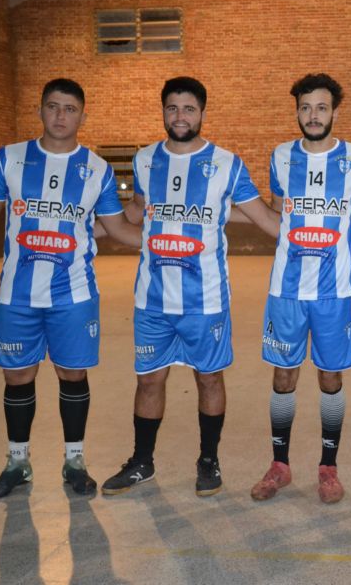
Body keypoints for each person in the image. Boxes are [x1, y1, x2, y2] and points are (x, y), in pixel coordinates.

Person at [0, 78, 142, 499]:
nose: (61, 116)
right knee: (18, 375)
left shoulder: (96, 168)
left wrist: (171, 236)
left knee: (72, 374)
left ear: (82, 114)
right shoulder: (9, 158)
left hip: (73, 294)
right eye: (53, 107)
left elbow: (116, 229)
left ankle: (74, 462)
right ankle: (17, 463)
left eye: (70, 109)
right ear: (40, 110)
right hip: (17, 295)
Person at [101, 76, 280, 497]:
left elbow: (267, 219)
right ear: (163, 111)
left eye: (188, 109)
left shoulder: (227, 163)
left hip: (206, 299)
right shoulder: (145, 160)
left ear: (202, 112)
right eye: (172, 108)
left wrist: (315, 226)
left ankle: (208, 461)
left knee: (209, 380)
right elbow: (136, 212)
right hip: (153, 298)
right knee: (148, 381)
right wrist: (82, 230)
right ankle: (142, 462)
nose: (180, 116)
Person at [248, 73, 351, 504]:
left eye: (321, 107)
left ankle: (328, 468)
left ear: (335, 112)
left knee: (330, 375)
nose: (313, 115)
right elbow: (276, 213)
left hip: (334, 288)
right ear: (297, 111)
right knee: (284, 374)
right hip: (287, 289)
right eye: (306, 107)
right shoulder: (281, 157)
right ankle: (279, 465)